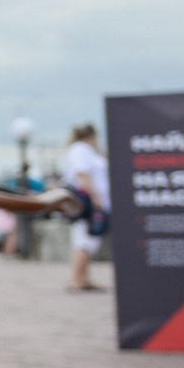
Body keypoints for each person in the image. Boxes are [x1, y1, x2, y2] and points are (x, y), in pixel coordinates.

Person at [62, 123, 111, 291]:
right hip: (88, 202)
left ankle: (84, 277)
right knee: (84, 240)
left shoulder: (86, 151)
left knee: (91, 240)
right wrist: (95, 197)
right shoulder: (80, 149)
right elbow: (82, 173)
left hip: (95, 201)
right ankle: (77, 278)